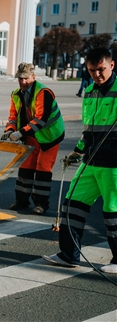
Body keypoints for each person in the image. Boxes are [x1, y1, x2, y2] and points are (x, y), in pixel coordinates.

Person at [43, 48, 117, 274]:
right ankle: (69, 255)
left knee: (112, 213)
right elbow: (88, 130)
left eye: (101, 69)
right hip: (90, 162)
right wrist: (77, 151)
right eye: (92, 70)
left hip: (113, 164)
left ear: (112, 65)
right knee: (71, 206)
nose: (97, 74)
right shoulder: (90, 91)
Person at [1, 62, 65, 215]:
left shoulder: (44, 92)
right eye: (20, 79)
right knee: (25, 167)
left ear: (33, 77)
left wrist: (20, 133)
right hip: (31, 135)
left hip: (49, 136)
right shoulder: (16, 94)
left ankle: (41, 204)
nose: (22, 82)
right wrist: (9, 130)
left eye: (25, 78)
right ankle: (21, 200)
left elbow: (40, 119)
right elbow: (13, 116)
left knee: (43, 169)